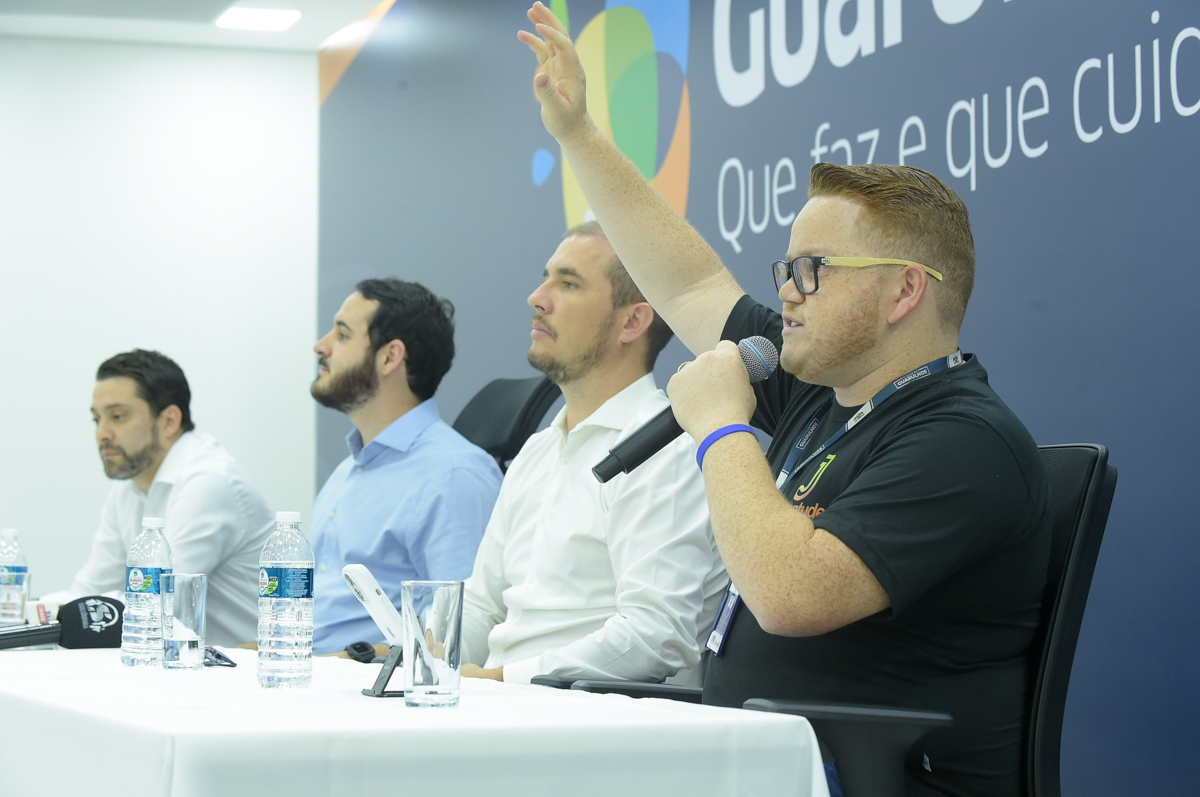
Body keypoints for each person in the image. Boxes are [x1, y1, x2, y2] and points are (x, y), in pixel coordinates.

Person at [519, 5, 1051, 796]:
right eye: (785, 269)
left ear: (905, 290)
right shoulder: (823, 387)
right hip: (759, 767)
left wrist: (721, 427)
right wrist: (577, 133)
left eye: (813, 269)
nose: (789, 292)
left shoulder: (967, 441)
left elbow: (789, 593)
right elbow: (690, 282)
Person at [458, 222, 726, 685]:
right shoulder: (537, 450)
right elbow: (482, 607)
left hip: (582, 716)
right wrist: (416, 655)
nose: (537, 298)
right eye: (545, 278)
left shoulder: (667, 452)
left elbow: (654, 636)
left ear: (632, 322)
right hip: (501, 702)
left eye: (568, 284)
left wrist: (500, 681)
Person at [309, 278, 501, 656]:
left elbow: (458, 637)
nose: (321, 346)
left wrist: (350, 659)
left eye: (342, 335)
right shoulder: (348, 471)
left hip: (366, 686)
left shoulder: (454, 476)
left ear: (389, 357)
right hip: (309, 674)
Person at [47, 349, 275, 646]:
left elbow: (156, 602)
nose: (102, 434)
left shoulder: (208, 482)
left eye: (118, 416)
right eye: (96, 419)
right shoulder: (129, 487)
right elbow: (92, 590)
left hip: (247, 667)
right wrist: (38, 614)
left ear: (169, 421)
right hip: (178, 664)